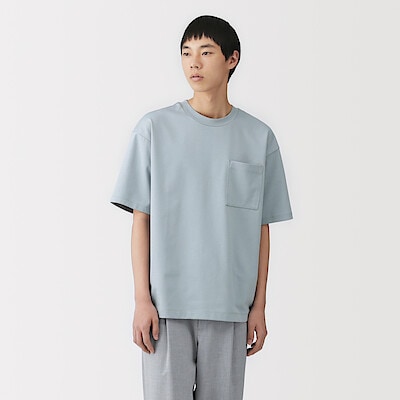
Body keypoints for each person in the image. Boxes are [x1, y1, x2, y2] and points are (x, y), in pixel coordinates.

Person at [110, 15, 293, 400]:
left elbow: (261, 229)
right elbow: (141, 220)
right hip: (166, 310)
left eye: (206, 52)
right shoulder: (154, 130)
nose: (193, 63)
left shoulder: (259, 137)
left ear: (232, 59)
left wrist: (258, 306)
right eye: (186, 53)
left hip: (229, 308)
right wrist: (142, 300)